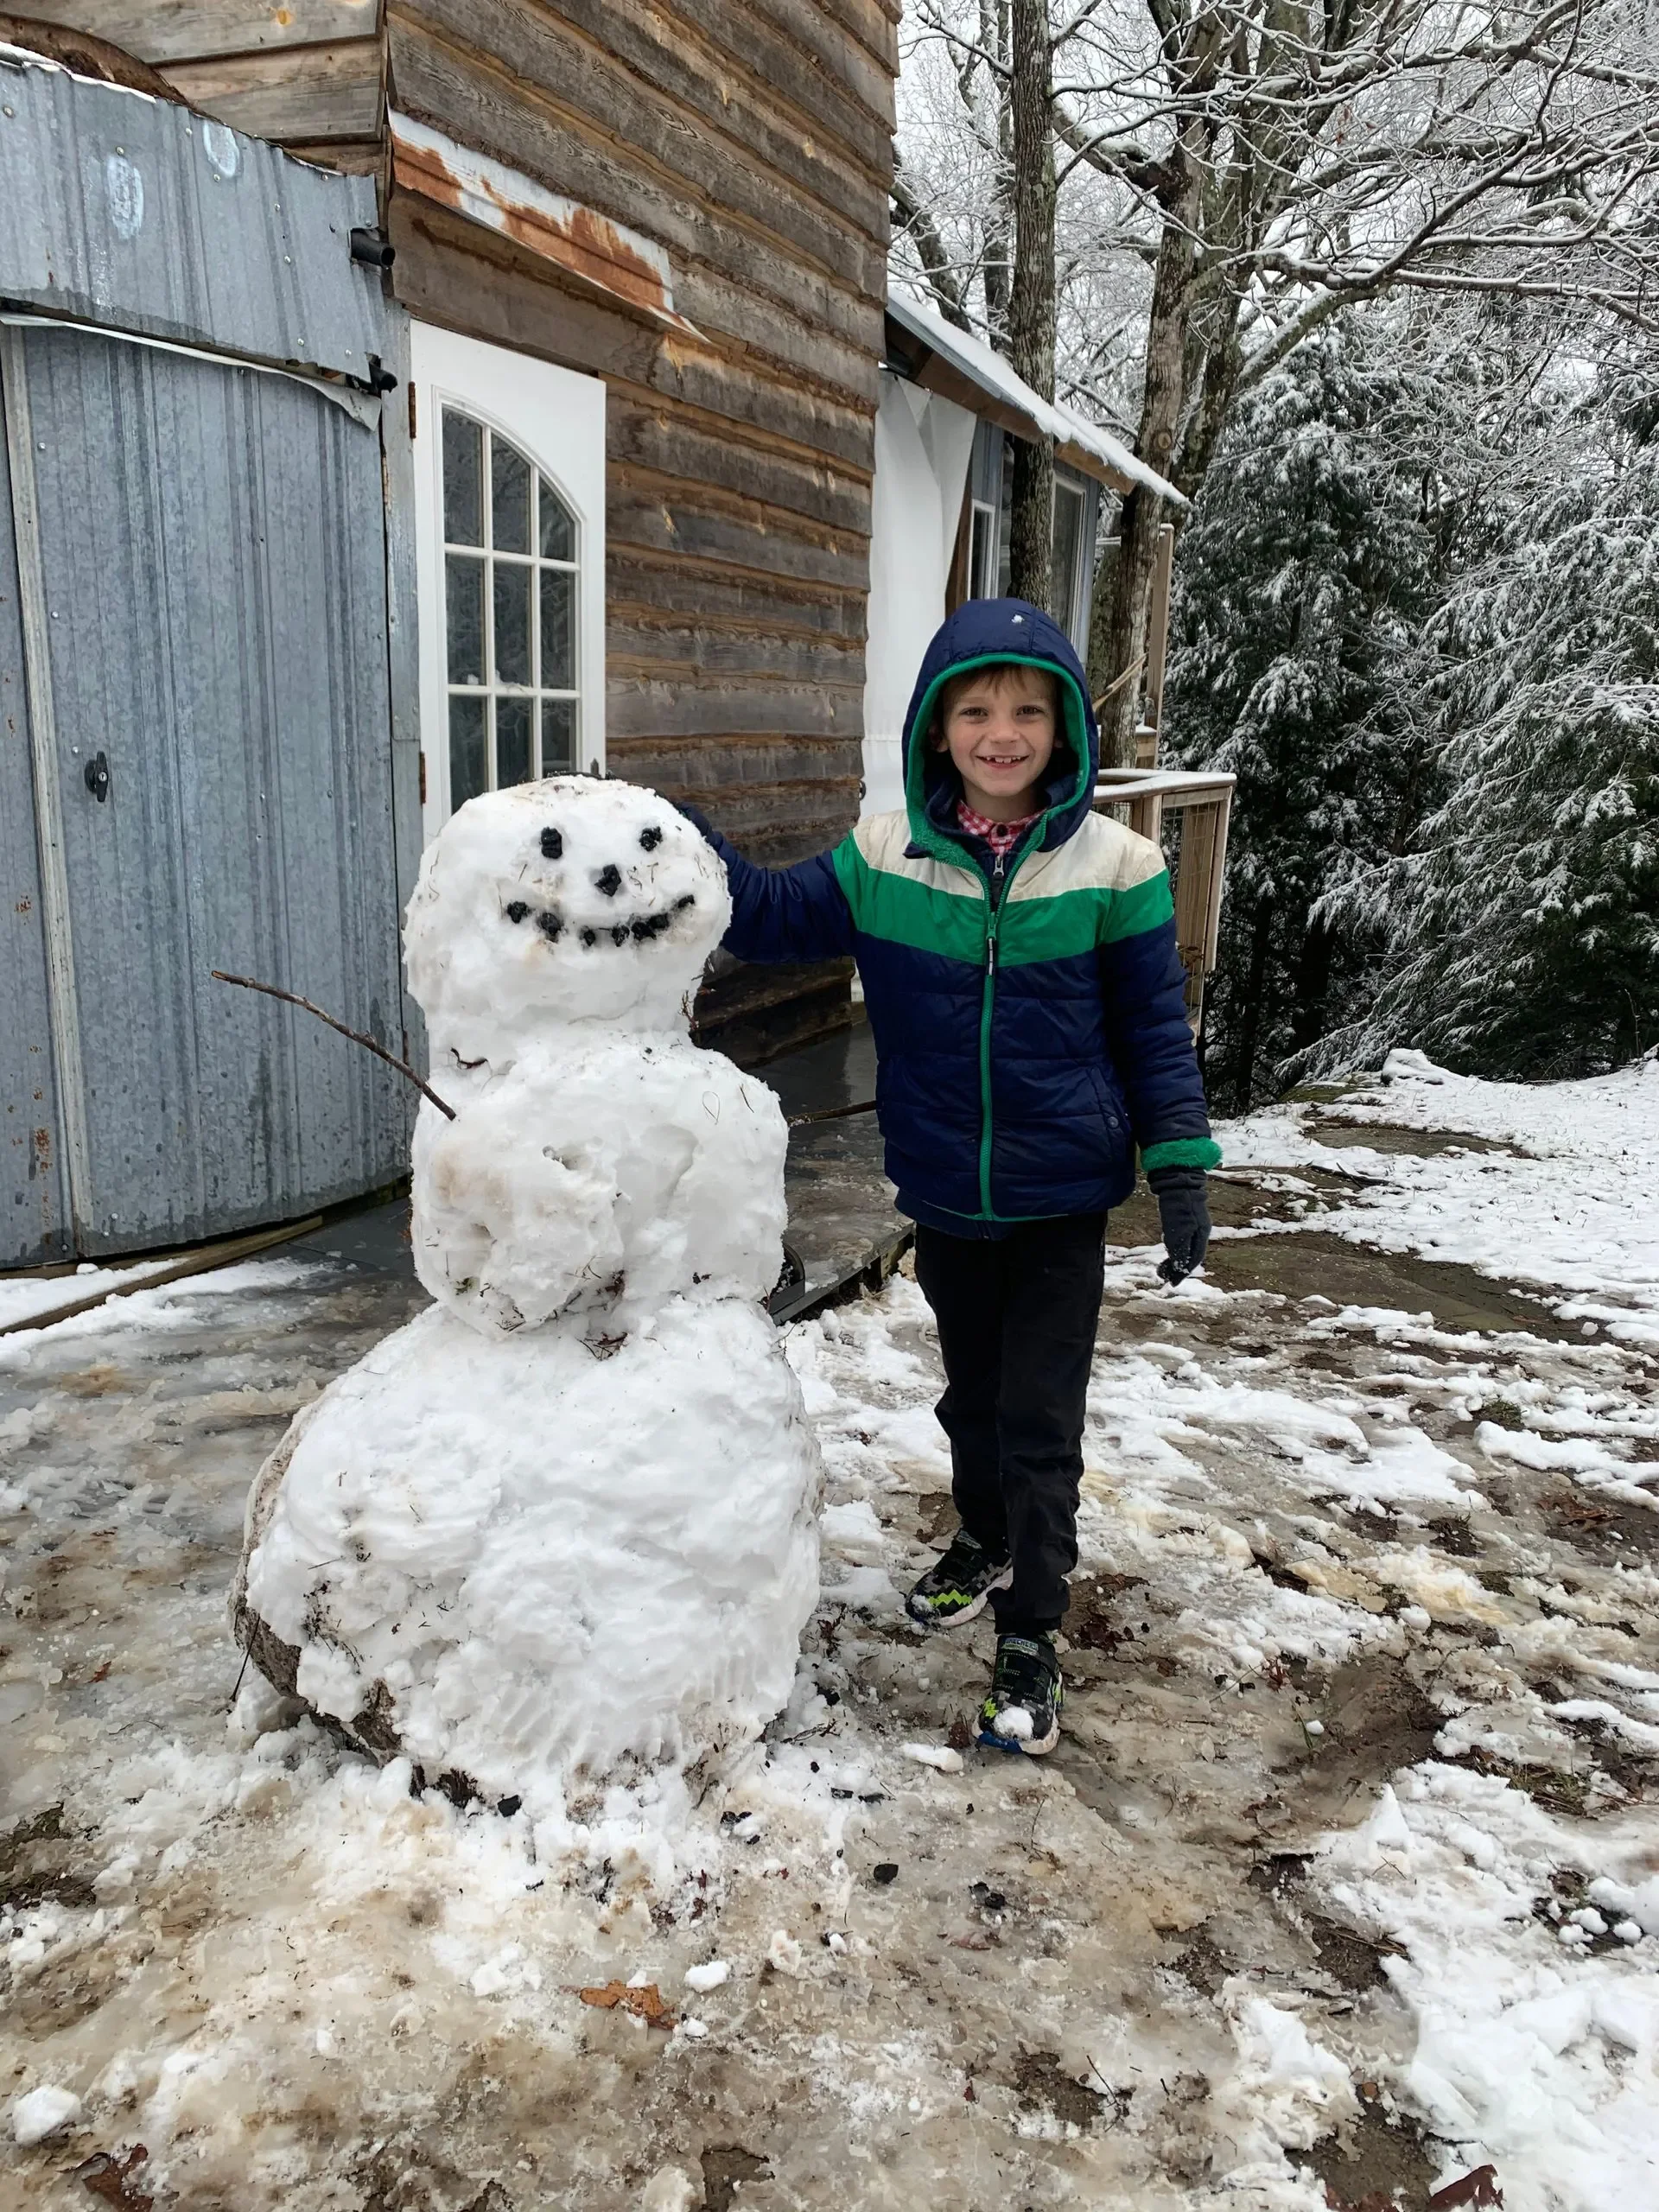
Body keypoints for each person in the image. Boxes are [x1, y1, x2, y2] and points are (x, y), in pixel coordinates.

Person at [681, 598, 1218, 1756]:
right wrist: (685, 842)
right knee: (970, 1397)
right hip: (943, 1187)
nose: (1002, 730)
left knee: (1039, 1418)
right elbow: (768, 919)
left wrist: (1179, 1164)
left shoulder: (1117, 866)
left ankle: (1032, 1629)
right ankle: (983, 1538)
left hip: (1063, 1196)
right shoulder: (884, 856)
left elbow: (1154, 1031)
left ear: (1063, 727)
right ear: (938, 728)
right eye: (976, 708)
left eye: (1029, 708)